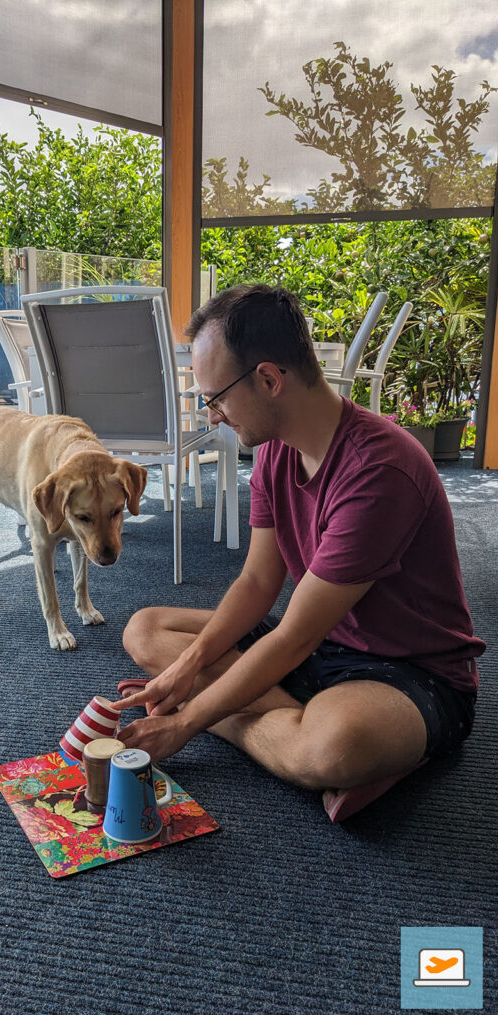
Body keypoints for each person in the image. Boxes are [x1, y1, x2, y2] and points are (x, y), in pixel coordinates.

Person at [112, 284, 485, 822]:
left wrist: (186, 720)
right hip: (322, 645)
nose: (213, 415)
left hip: (410, 670)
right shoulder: (275, 452)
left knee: (333, 747)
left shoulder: (380, 471)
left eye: (215, 398)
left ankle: (320, 742)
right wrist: (191, 663)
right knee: (146, 629)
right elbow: (258, 585)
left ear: (268, 379)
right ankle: (295, 729)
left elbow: (294, 636)